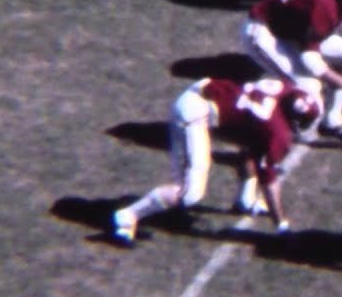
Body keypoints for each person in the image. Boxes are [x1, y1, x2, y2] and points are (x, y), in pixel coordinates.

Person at [111, 76, 321, 246]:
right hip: (195, 113)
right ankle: (128, 216)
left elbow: (253, 144)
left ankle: (245, 199)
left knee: (251, 145)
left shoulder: (285, 87)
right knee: (189, 194)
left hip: (204, 94)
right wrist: (281, 225)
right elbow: (269, 181)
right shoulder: (278, 133)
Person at [240, 0, 342, 147]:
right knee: (309, 86)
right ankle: (297, 130)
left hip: (292, 29)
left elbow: (341, 22)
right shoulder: (324, 6)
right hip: (264, 31)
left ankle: (332, 121)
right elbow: (309, 57)